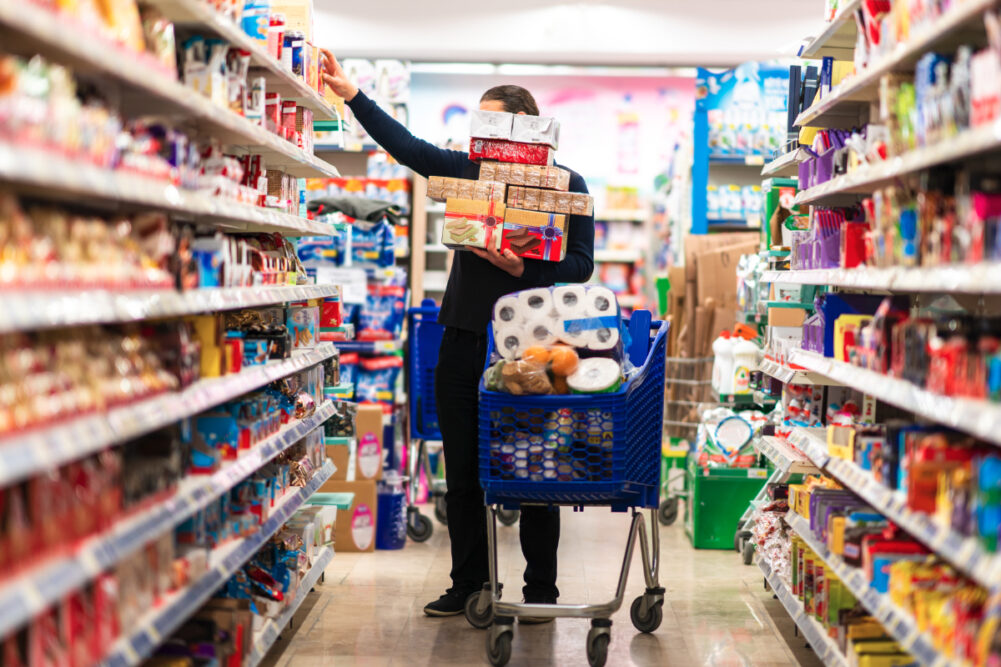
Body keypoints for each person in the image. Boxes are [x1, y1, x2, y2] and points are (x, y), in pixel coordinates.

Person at [320, 50, 595, 620]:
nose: (481, 139)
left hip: (533, 348)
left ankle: (540, 589)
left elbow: (583, 265)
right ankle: (469, 582)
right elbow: (408, 149)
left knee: (537, 467)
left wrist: (528, 269)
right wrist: (352, 95)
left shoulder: (566, 185)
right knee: (463, 468)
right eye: (478, 128)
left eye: (491, 125)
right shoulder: (469, 172)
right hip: (464, 337)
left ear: (525, 129)